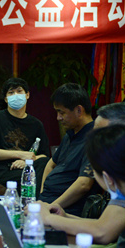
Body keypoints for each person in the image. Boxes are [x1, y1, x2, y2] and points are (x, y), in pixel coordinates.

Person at [37, 102, 125, 248]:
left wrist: (48, 218)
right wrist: (63, 216)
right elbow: (105, 224)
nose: (93, 140)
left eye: (100, 134)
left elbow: (102, 232)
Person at [38, 83, 96, 216]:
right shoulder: (70, 134)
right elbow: (50, 164)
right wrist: (41, 196)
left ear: (79, 110)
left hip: (65, 210)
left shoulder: (95, 138)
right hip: (47, 203)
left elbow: (84, 184)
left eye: (61, 112)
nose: (58, 118)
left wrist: (51, 208)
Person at [0, 77, 49, 184]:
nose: (16, 95)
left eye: (19, 91)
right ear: (6, 99)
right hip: (1, 171)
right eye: (11, 92)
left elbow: (44, 155)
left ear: (27, 95)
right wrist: (20, 155)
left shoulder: (36, 124)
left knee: (44, 165)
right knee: (32, 178)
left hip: (27, 168)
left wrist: (26, 162)